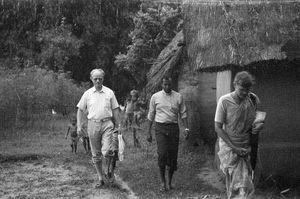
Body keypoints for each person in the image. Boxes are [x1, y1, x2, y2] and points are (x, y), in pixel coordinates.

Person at [214, 71, 264, 199]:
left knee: (248, 186)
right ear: (234, 84)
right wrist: (234, 147)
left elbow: (258, 119)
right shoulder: (224, 101)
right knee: (237, 187)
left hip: (248, 148)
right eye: (241, 89)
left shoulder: (253, 99)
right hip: (231, 150)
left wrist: (259, 125)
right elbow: (218, 128)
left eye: (247, 90)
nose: (244, 93)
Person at [76, 68, 122, 188]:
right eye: (95, 78)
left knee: (107, 151)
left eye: (100, 78)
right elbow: (80, 110)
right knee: (96, 154)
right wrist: (79, 125)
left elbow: (115, 110)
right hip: (93, 124)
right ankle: (100, 178)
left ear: (103, 79)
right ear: (91, 79)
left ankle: (109, 171)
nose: (97, 80)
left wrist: (119, 125)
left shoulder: (109, 92)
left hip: (107, 124)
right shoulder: (87, 94)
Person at [146, 75, 190, 192]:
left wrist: (186, 128)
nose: (167, 86)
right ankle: (162, 182)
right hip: (160, 128)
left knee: (172, 156)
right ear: (162, 84)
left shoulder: (178, 97)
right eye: (165, 84)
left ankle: (169, 182)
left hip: (173, 128)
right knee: (162, 154)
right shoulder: (155, 97)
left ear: (172, 84)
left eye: (169, 84)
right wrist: (148, 132)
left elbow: (183, 113)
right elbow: (151, 114)